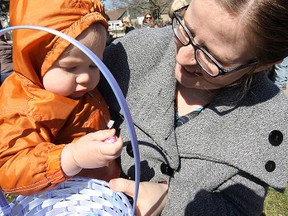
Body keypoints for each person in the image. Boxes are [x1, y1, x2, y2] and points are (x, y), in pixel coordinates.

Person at [101, 0, 288, 215]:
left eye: (213, 58)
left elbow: (239, 209)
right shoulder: (129, 54)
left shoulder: (268, 118)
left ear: (263, 64)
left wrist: (170, 202)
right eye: (185, 29)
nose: (182, 57)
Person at [0, 0, 123, 196]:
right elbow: (10, 167)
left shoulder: (77, 89)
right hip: (63, 199)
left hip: (103, 192)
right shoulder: (25, 104)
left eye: (94, 66)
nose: (86, 77)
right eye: (70, 67)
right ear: (34, 60)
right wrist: (71, 158)